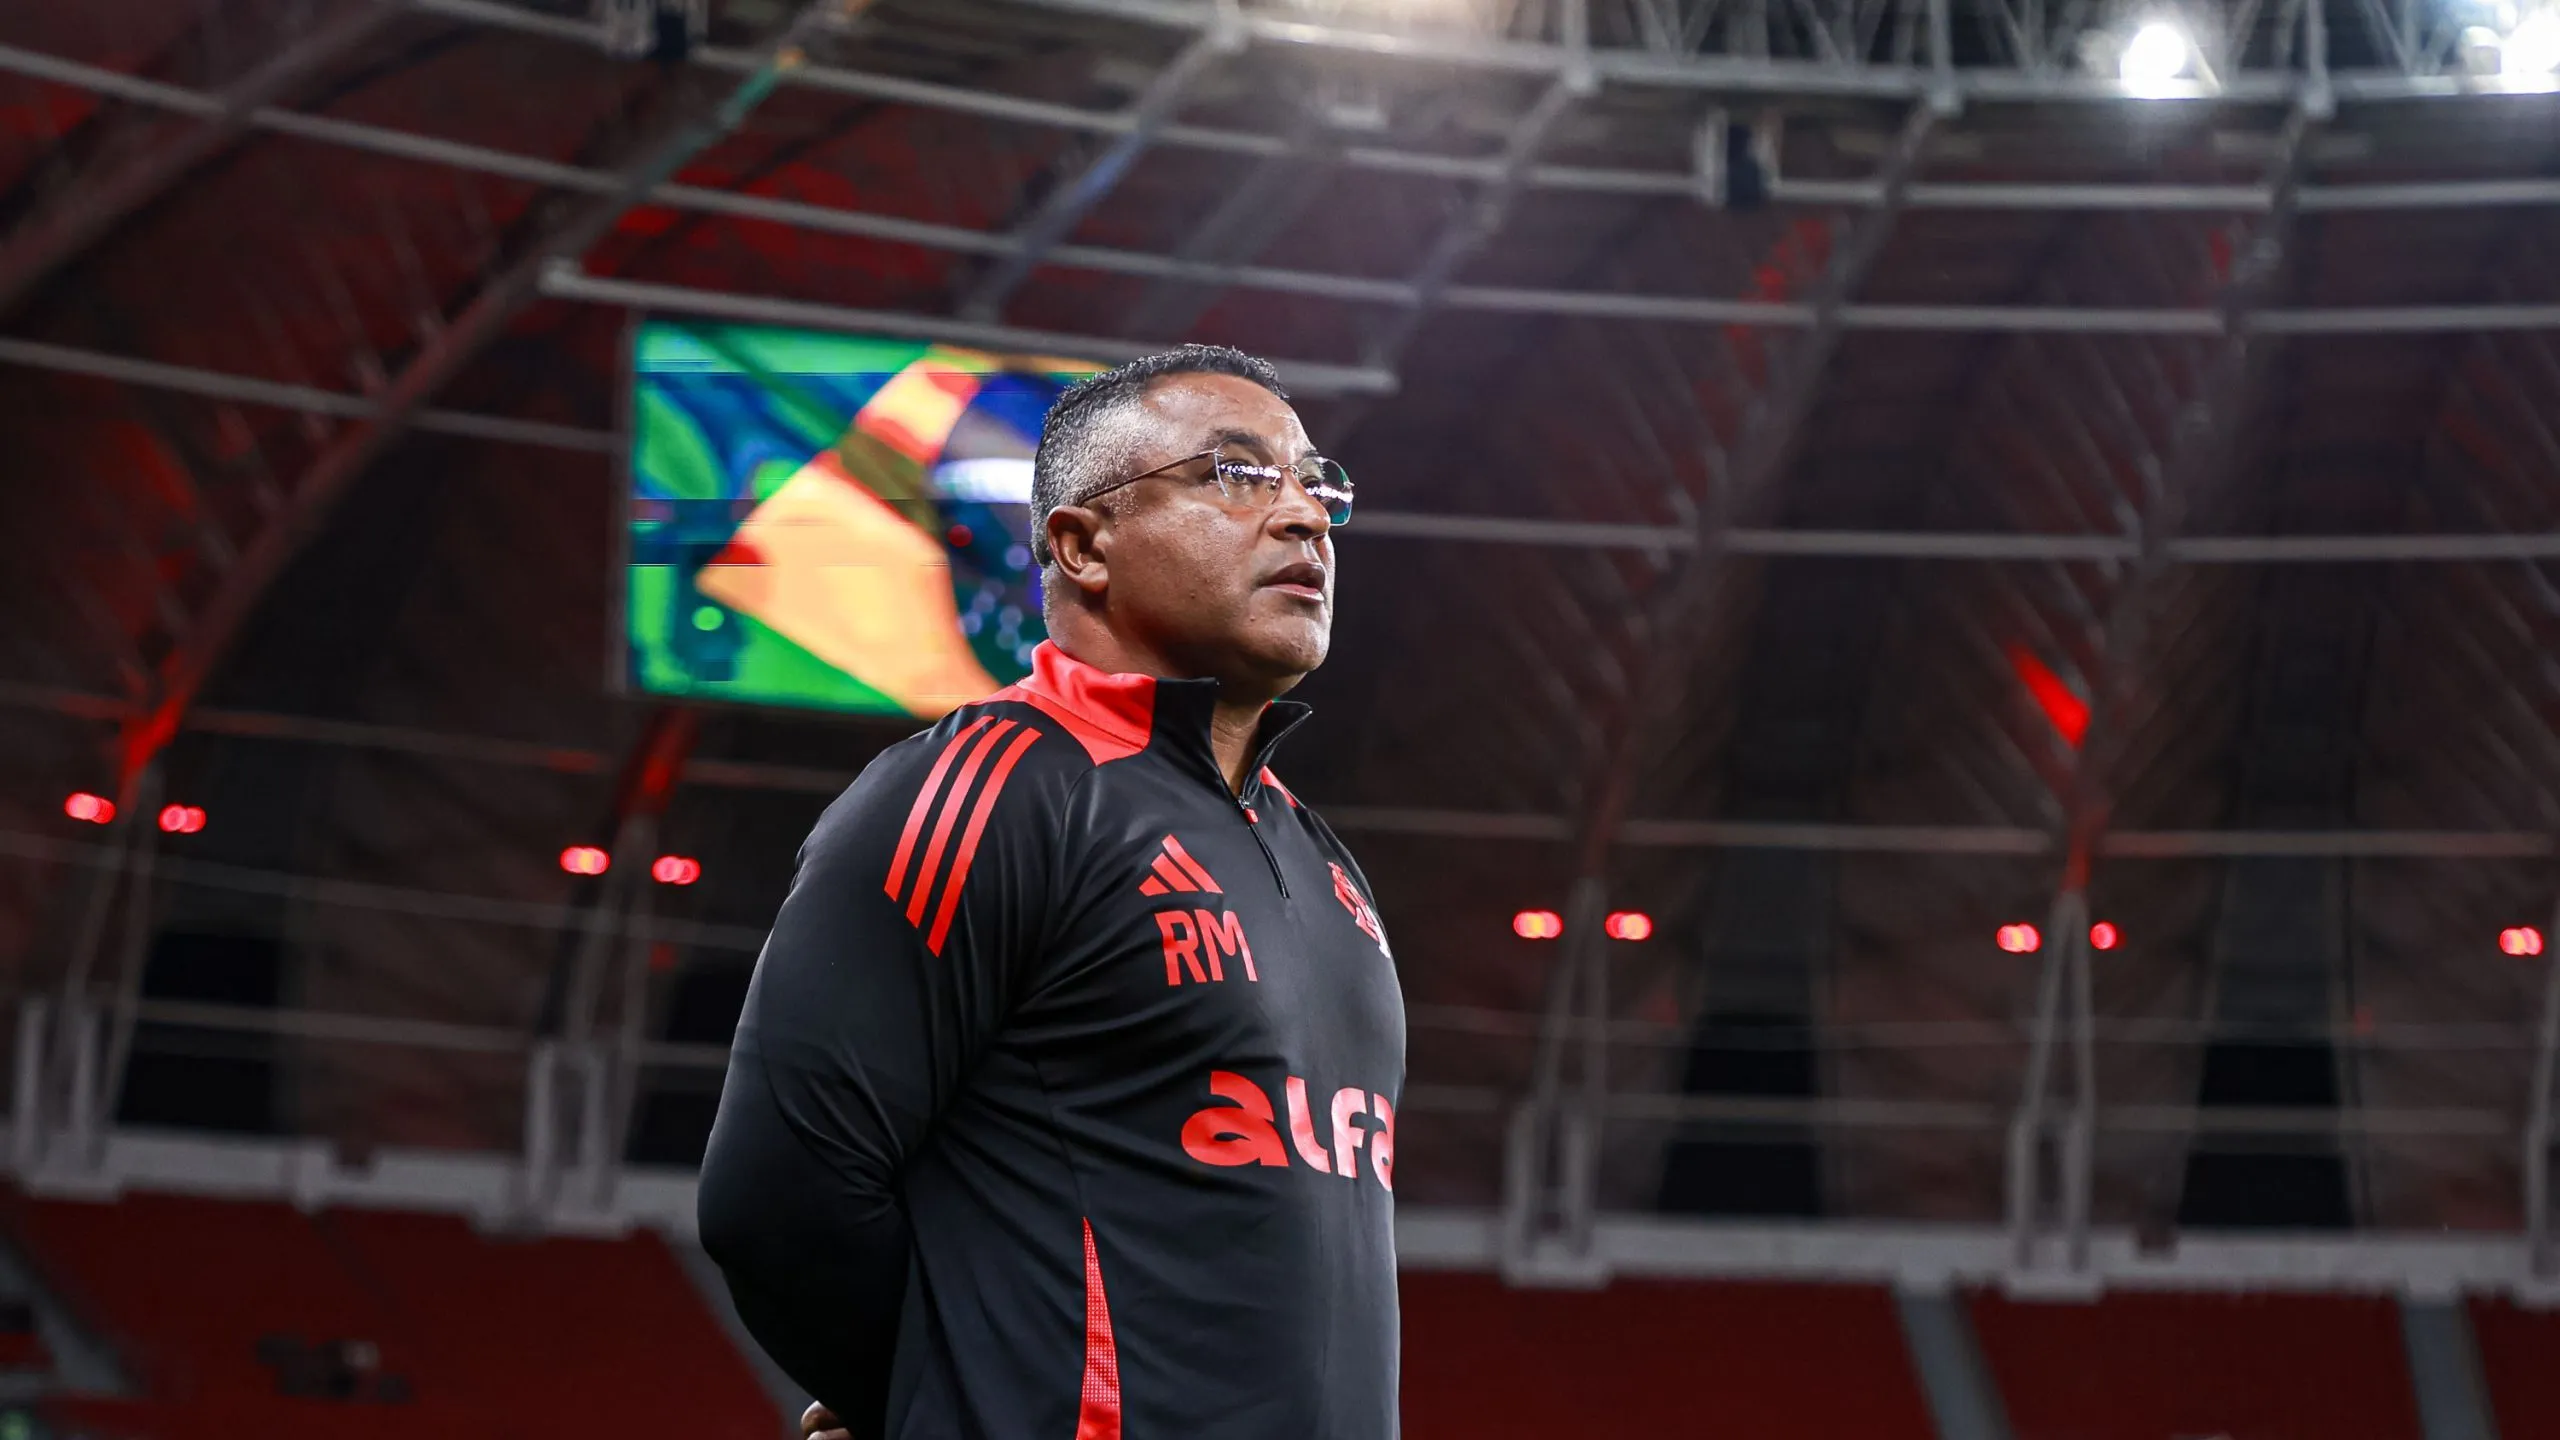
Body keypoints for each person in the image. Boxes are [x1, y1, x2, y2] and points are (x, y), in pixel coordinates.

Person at [697, 344, 1405, 1440]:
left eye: (1317, 485)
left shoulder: (1323, 860)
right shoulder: (986, 792)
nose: (1306, 516)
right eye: (1238, 474)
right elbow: (775, 1201)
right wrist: (938, 1398)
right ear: (1081, 545)